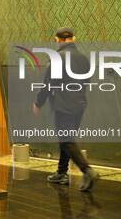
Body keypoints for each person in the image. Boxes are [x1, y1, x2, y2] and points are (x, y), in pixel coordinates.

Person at [33, 27, 99, 191]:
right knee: (67, 139)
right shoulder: (84, 58)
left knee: (67, 140)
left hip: (63, 105)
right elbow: (86, 81)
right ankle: (61, 172)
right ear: (73, 39)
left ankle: (87, 170)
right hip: (80, 104)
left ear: (58, 40)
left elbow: (48, 84)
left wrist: (38, 103)